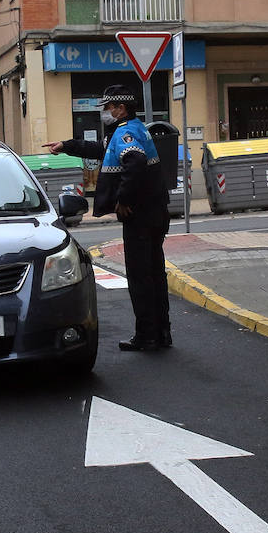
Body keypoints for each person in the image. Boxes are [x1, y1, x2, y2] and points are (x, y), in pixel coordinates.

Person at [43, 84, 171, 351]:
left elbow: (134, 164)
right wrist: (66, 146)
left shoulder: (126, 134)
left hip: (140, 215)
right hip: (155, 211)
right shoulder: (135, 129)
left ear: (120, 108)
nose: (106, 112)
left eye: (108, 108)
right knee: (155, 274)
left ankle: (147, 336)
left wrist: (124, 200)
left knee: (139, 277)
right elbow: (98, 149)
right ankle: (161, 332)